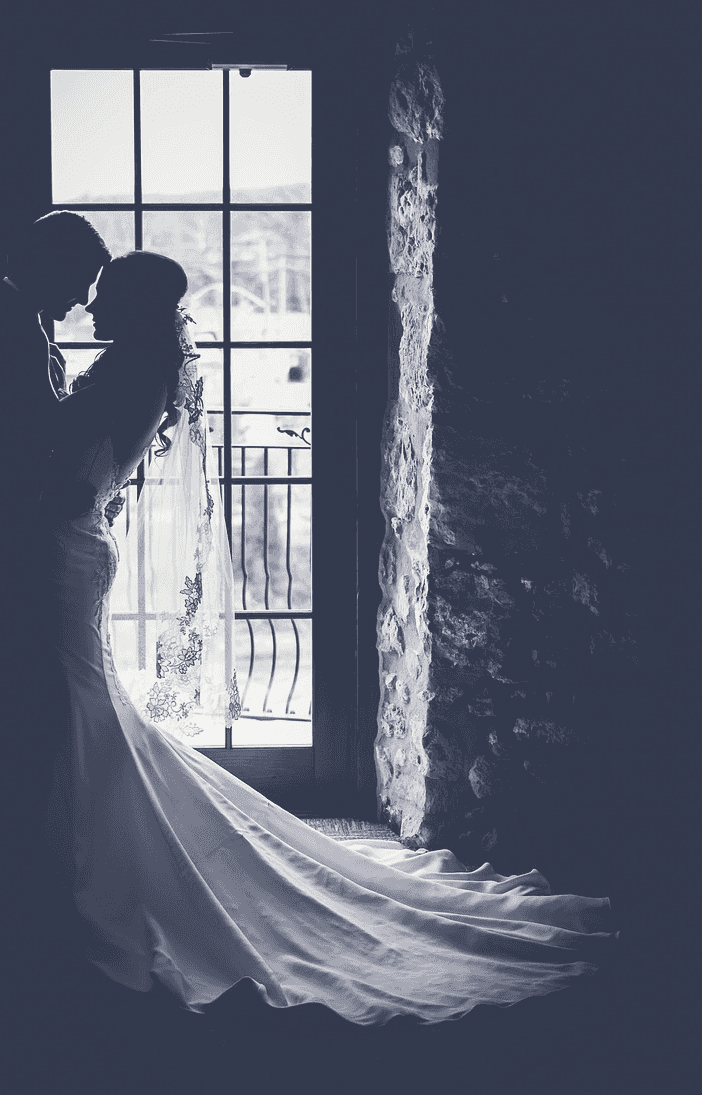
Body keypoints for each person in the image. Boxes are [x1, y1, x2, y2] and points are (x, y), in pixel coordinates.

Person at [44, 249, 617, 1025]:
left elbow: (79, 477)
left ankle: (102, 864)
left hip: (70, 542)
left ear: (137, 304)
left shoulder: (131, 373)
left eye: (107, 292)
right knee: (92, 706)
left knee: (87, 703)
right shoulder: (134, 364)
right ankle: (95, 846)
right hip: (76, 544)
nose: (92, 303)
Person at [0, 210, 110, 951]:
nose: (82, 298)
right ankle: (18, 910)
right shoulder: (5, 330)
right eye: (78, 279)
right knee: (19, 727)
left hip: (0, 552)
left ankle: (22, 894)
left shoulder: (18, 323)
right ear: (45, 264)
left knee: (27, 723)